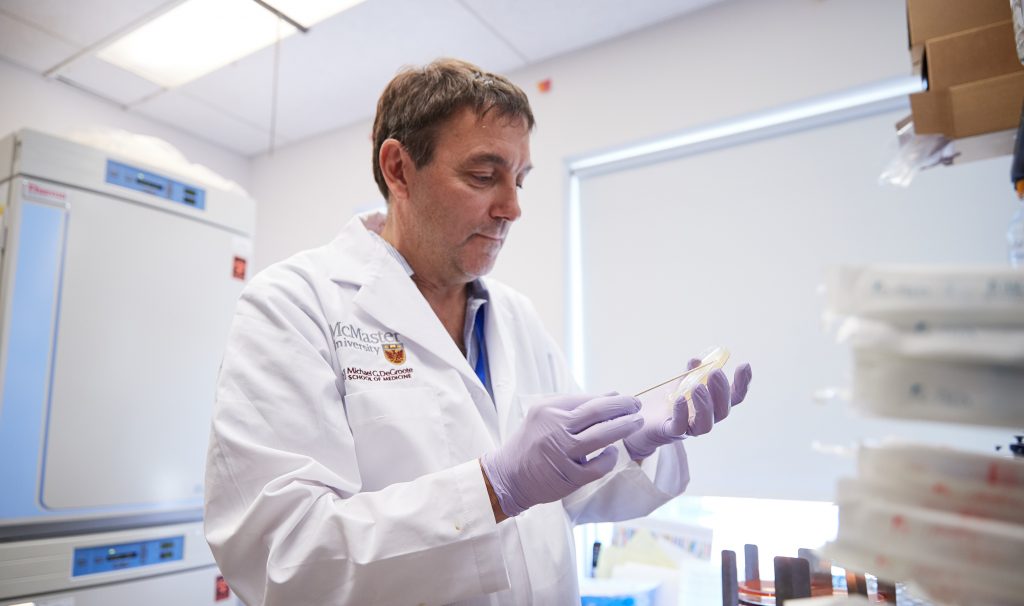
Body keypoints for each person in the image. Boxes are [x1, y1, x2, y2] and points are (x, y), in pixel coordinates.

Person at [204, 58, 752, 606]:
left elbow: (570, 497)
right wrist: (493, 487)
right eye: (484, 176)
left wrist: (633, 446)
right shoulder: (294, 305)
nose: (512, 208)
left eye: (519, 180)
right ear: (398, 170)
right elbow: (283, 557)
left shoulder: (516, 317)